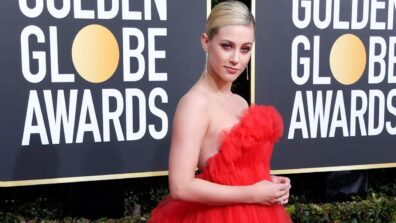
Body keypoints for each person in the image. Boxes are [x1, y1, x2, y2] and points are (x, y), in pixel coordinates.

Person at [149, 1, 292, 222]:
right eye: (226, 46)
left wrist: (267, 183)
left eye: (245, 49)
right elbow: (181, 186)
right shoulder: (195, 104)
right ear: (206, 42)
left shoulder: (241, 102)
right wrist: (252, 193)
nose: (236, 59)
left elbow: (233, 173)